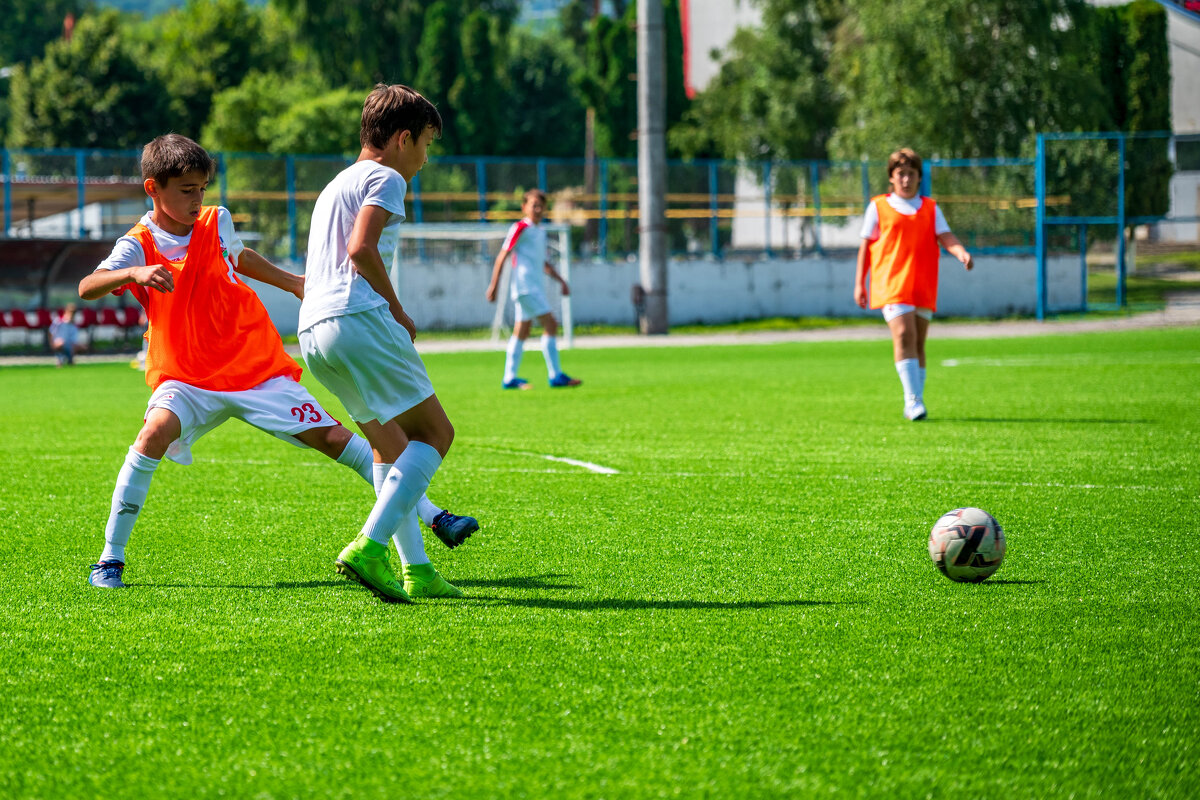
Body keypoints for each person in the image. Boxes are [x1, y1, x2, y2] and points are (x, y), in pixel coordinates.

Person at [80, 134, 475, 590]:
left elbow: (240, 256)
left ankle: (430, 513)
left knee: (335, 439)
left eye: (202, 188)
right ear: (153, 189)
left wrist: (292, 283)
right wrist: (133, 273)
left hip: (254, 370)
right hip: (186, 377)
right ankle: (110, 558)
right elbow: (89, 285)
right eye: (186, 190)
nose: (197, 199)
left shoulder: (216, 220)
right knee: (151, 434)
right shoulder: (138, 243)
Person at [300, 84, 464, 603]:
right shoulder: (386, 176)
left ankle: (417, 569)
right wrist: (396, 308)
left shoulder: (335, 184)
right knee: (435, 433)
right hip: (358, 319)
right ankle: (370, 547)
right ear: (402, 138)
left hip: (313, 330)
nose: (425, 158)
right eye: (426, 146)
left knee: (383, 444)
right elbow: (360, 249)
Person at [854, 148, 973, 421]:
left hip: (922, 283)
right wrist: (860, 283)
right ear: (891, 178)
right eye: (900, 174)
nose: (906, 179)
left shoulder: (930, 208)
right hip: (890, 283)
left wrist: (961, 253)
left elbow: (946, 236)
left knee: (918, 342)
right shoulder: (878, 207)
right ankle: (912, 401)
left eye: (911, 174)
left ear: (919, 177)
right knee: (904, 334)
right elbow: (866, 246)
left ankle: (916, 400)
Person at [485, 189, 581, 390]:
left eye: (540, 206)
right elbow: (503, 255)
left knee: (522, 331)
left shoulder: (540, 231)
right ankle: (555, 376)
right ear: (524, 207)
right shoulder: (520, 227)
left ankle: (510, 378)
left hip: (534, 288)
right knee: (552, 324)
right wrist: (494, 285)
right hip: (525, 288)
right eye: (533, 205)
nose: (537, 209)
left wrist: (560, 280)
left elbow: (543, 263)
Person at [49, 302, 81, 366]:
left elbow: (74, 339)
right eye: (71, 311)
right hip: (60, 343)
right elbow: (51, 333)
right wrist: (52, 344)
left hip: (70, 344)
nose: (72, 314)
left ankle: (70, 359)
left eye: (74, 312)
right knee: (61, 343)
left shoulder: (74, 325)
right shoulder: (58, 321)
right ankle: (60, 359)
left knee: (81, 347)